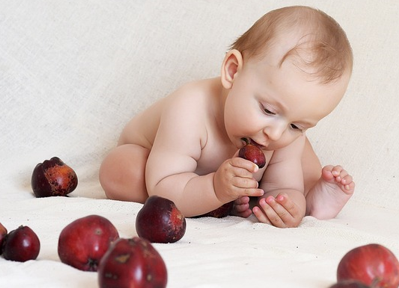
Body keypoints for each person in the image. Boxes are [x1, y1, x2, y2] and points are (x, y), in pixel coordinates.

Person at [99, 5, 355, 228]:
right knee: (122, 169)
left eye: (297, 125)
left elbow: (284, 187)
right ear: (233, 72)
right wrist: (214, 189)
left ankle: (315, 200)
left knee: (301, 155)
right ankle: (214, 200)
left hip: (226, 182)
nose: (275, 133)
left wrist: (288, 205)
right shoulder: (189, 108)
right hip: (159, 166)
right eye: (267, 110)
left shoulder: (279, 131)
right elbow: (162, 187)